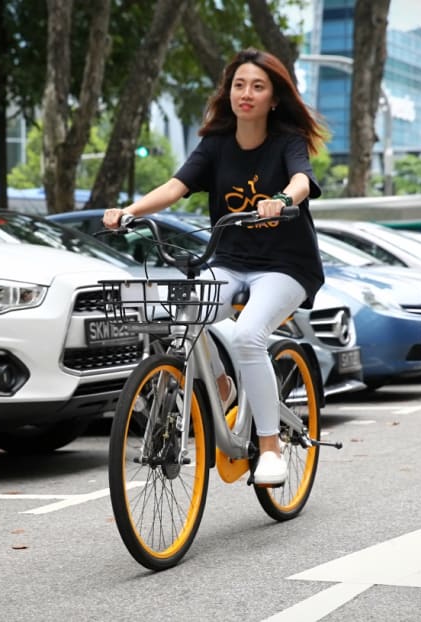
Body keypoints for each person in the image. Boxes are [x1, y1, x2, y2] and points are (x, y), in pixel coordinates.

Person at [103, 47, 326, 485]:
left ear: (274, 98)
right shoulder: (217, 145)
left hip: (285, 265)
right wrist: (128, 212)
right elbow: (174, 186)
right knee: (181, 315)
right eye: (239, 85)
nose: (247, 93)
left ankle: (269, 447)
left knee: (248, 336)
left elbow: (301, 180)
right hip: (230, 261)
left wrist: (282, 200)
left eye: (258, 87)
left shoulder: (286, 142)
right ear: (229, 93)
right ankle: (221, 384)